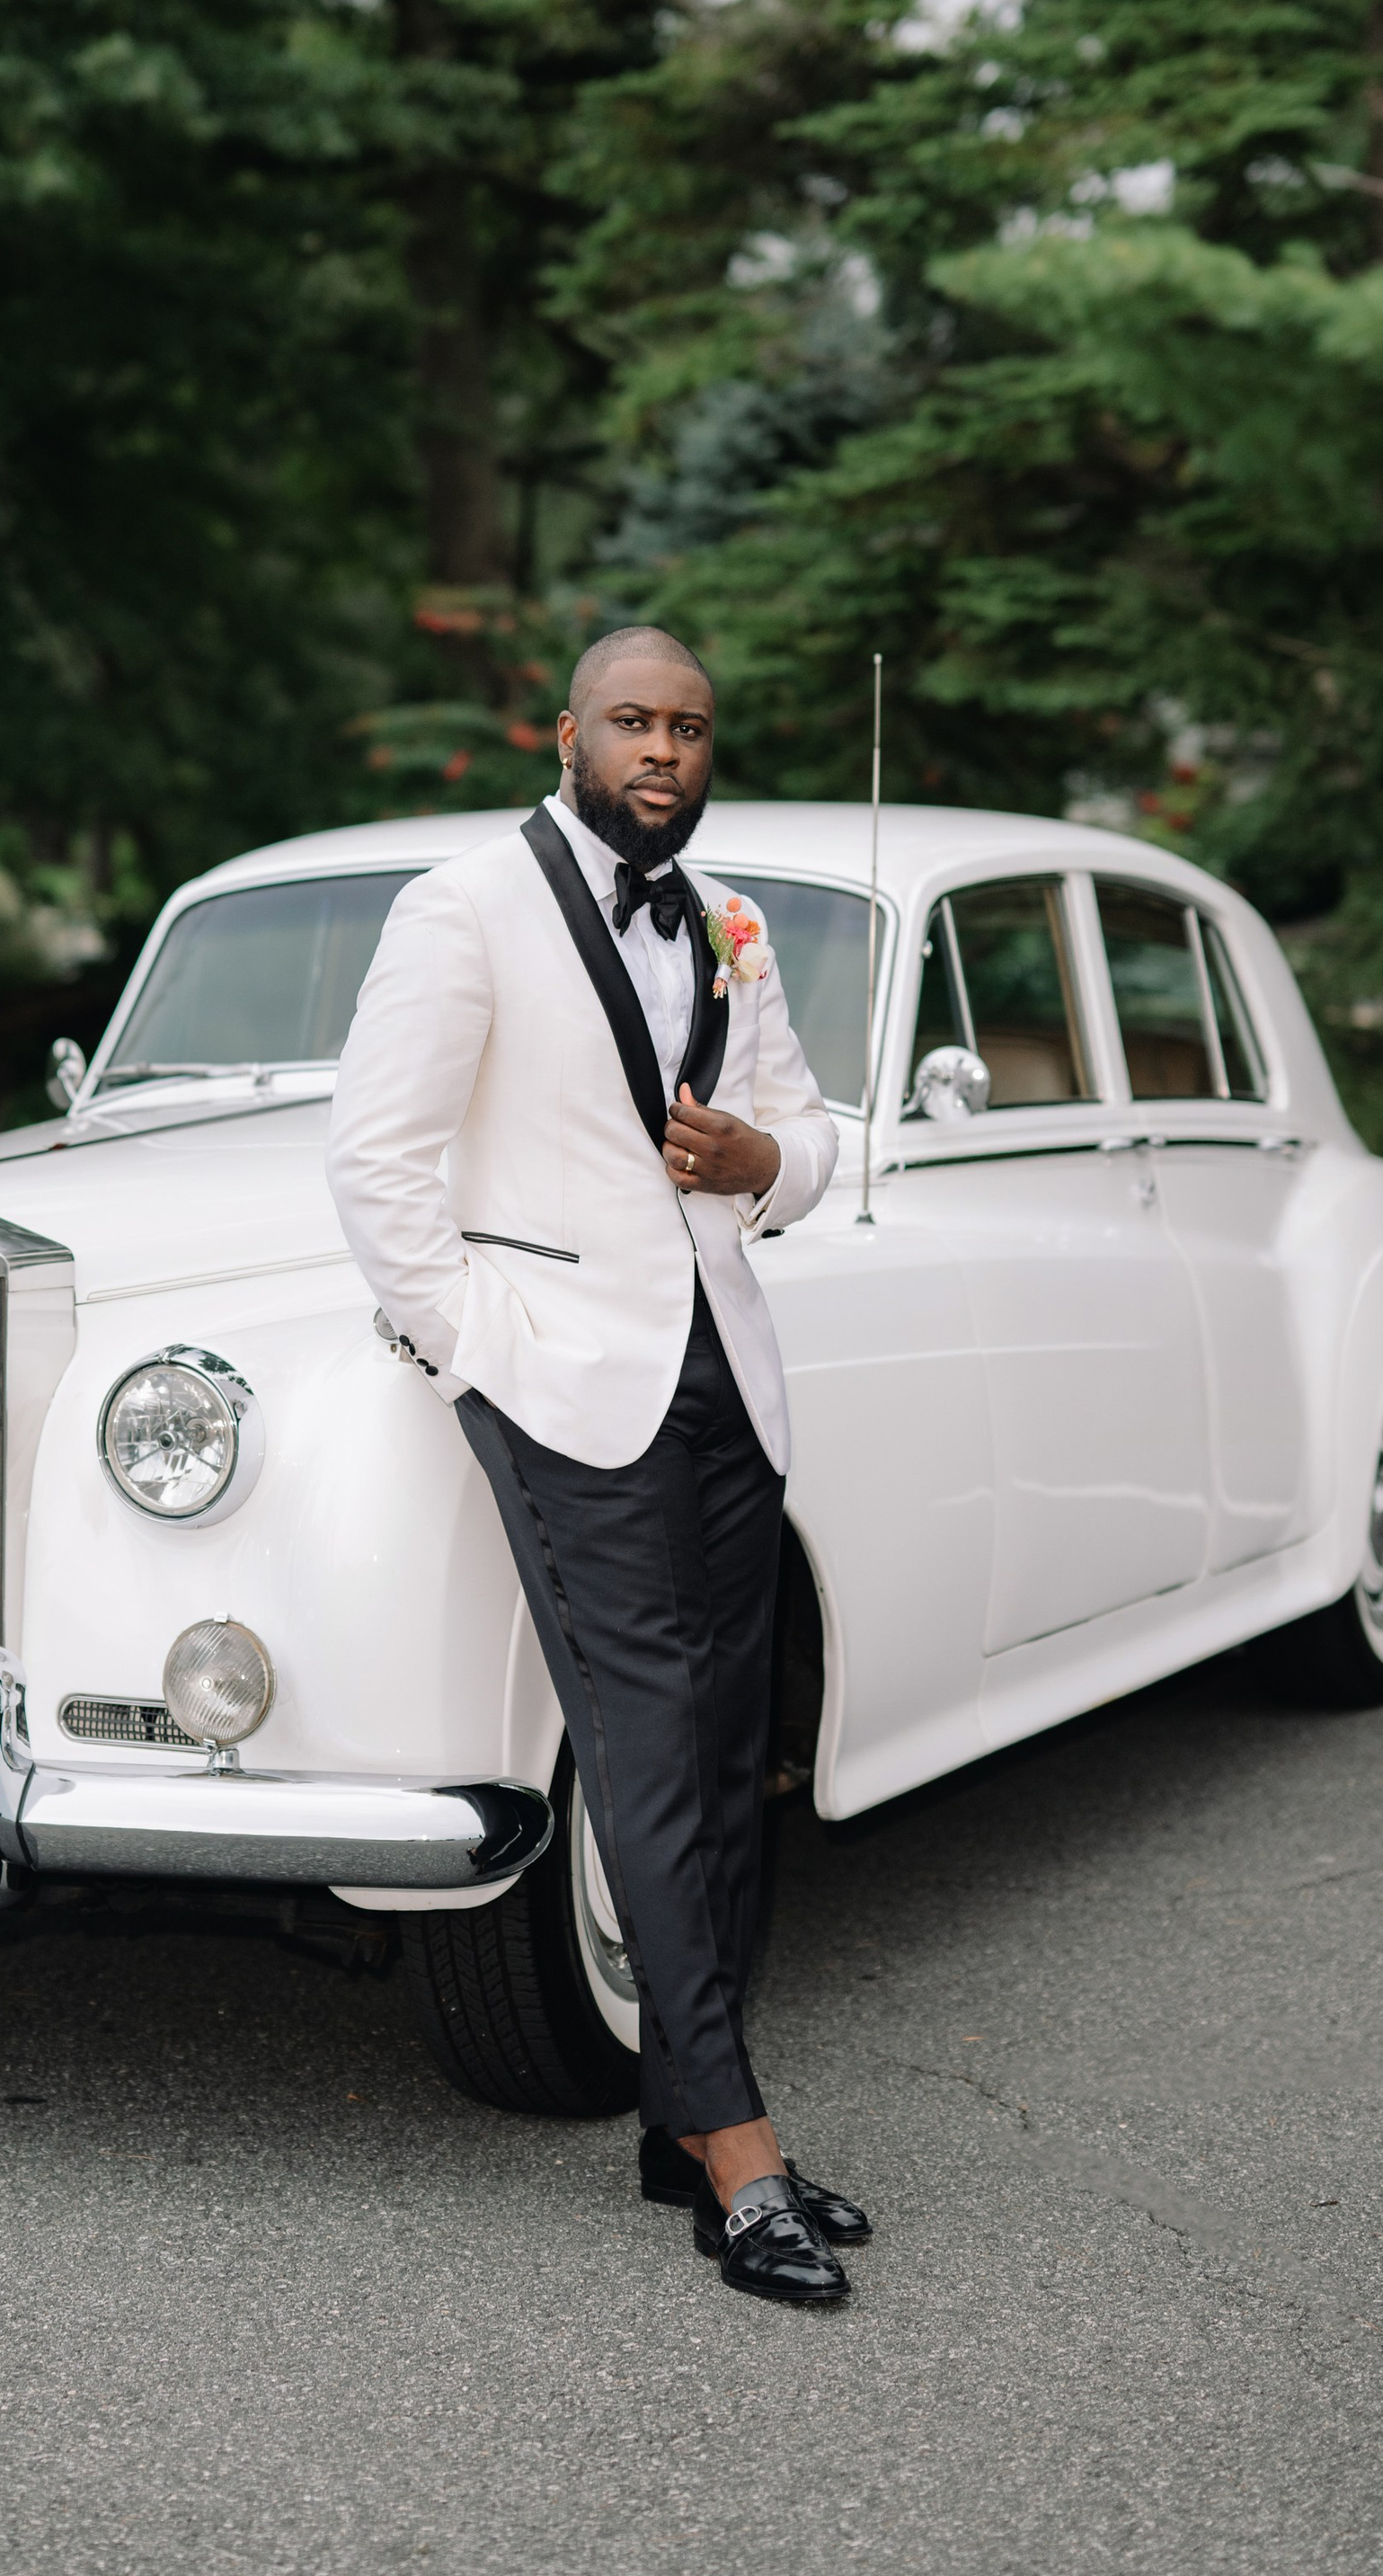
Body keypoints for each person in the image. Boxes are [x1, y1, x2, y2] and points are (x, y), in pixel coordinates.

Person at [325, 625, 869, 2305]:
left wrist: (765, 1155)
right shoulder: (463, 907)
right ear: (567, 733)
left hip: (724, 1375)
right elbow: (375, 1161)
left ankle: (674, 2119)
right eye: (634, 720)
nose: (663, 750)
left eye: (691, 727)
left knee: (721, 1750)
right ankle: (737, 2148)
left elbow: (813, 1139)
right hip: (564, 1387)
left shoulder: (728, 922)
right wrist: (479, 1350)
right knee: (637, 1747)